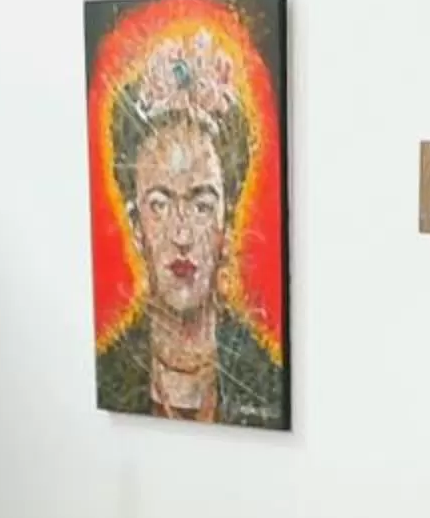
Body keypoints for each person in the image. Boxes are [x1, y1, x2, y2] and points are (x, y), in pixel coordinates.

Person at [94, 31, 288, 429]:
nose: (181, 236)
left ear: (227, 225)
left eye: (201, 206)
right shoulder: (112, 370)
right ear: (135, 226)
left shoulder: (263, 377)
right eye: (160, 205)